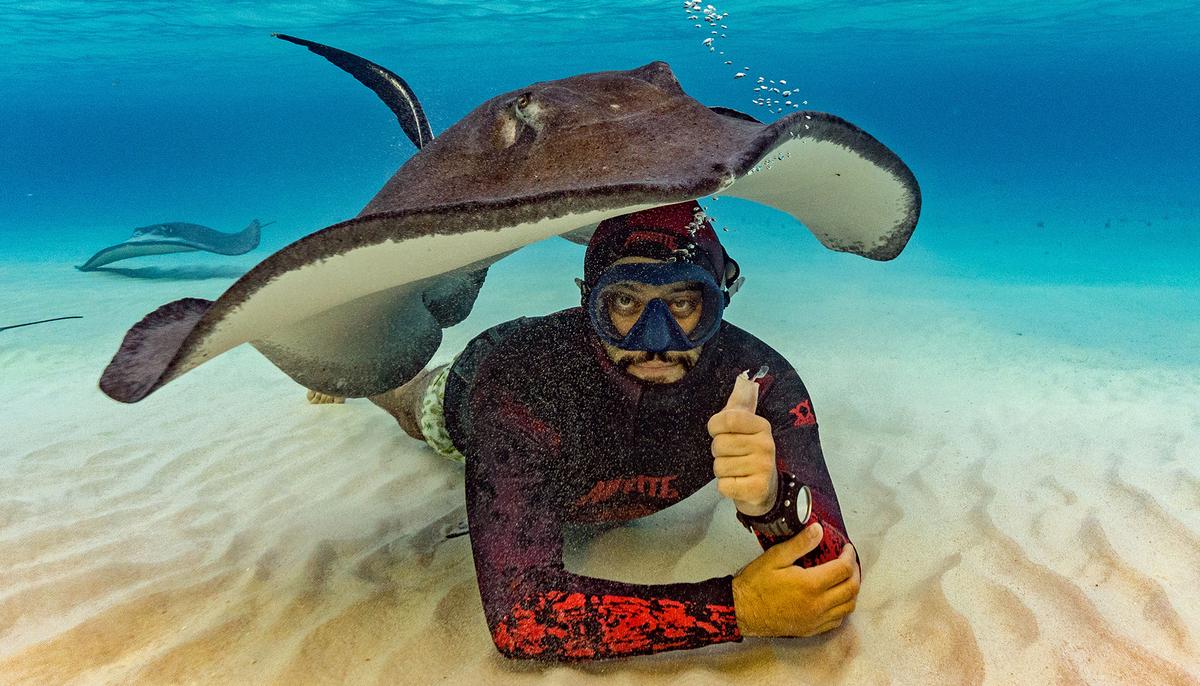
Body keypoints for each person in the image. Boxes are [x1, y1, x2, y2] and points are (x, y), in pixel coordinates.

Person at [320, 201, 861, 661]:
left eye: (683, 303)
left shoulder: (760, 382)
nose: (655, 340)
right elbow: (521, 618)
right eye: (625, 302)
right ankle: (359, 370)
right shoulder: (519, 383)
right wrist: (739, 608)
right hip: (477, 378)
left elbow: (830, 574)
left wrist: (771, 502)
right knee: (414, 408)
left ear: (719, 299)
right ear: (589, 300)